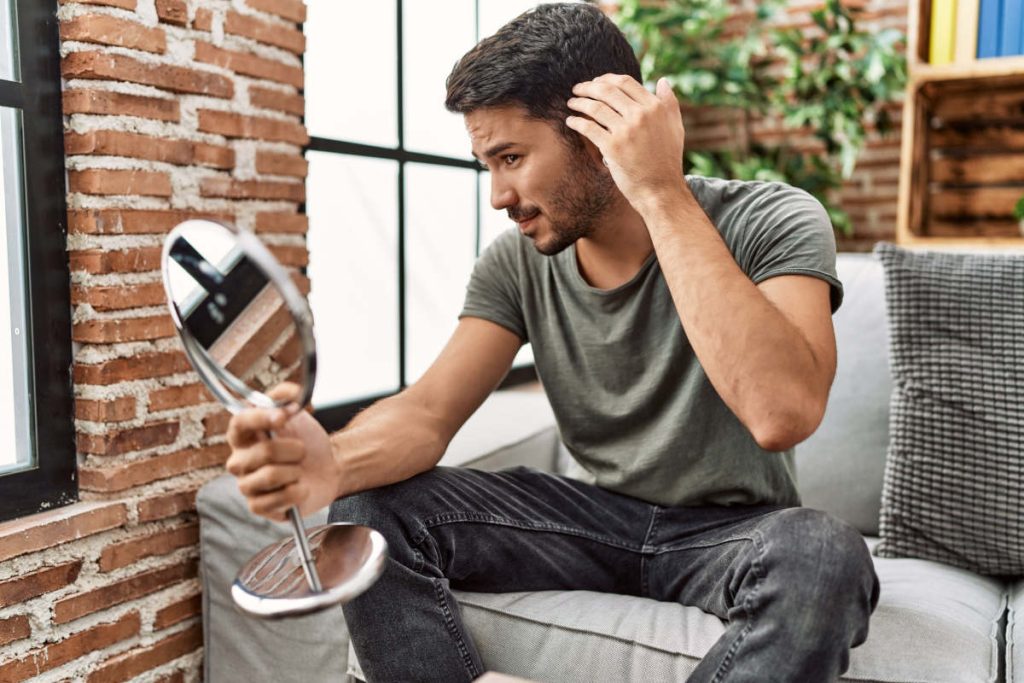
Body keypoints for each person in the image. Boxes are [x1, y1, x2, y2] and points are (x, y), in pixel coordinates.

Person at [224, 4, 880, 681]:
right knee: (369, 510)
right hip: (593, 522)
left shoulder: (773, 219)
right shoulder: (516, 263)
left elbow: (782, 411)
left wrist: (659, 191)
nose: (498, 196)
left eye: (511, 157)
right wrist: (331, 458)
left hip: (730, 534)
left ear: (599, 136)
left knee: (824, 556)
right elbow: (426, 414)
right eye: (487, 163)